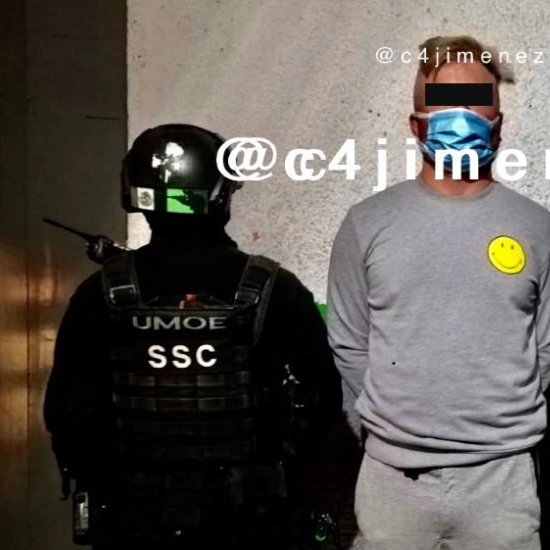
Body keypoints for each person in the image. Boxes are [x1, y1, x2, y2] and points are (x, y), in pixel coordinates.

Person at [44, 124, 342, 550]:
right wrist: (283, 475)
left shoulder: (100, 293)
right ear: (221, 196)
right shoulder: (277, 290)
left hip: (134, 523)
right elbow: (323, 399)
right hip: (252, 522)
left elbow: (66, 413)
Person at [327, 35, 550, 550]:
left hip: (502, 481)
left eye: (475, 104)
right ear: (415, 124)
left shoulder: (539, 228)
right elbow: (349, 342)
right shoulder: (366, 223)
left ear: (499, 124)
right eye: (442, 103)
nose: (459, 118)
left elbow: (545, 350)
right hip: (392, 480)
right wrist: (392, 426)